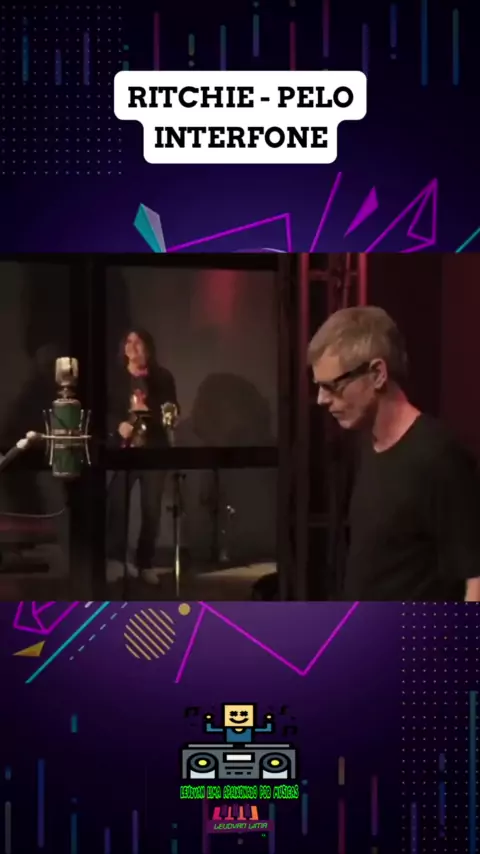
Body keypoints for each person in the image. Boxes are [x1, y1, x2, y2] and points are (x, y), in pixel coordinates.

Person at [307, 305, 480, 602]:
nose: (321, 399)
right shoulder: (365, 444)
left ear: (377, 374)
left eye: (332, 386)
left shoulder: (438, 457)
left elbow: (475, 576)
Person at [107, 329, 179, 585]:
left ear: (148, 348)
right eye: (129, 341)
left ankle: (145, 562)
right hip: (124, 450)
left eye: (139, 342)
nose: (133, 346)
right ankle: (116, 560)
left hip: (154, 450)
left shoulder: (162, 377)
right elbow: (105, 410)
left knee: (152, 509)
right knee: (117, 505)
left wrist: (154, 413)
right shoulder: (115, 378)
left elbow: (172, 410)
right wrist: (118, 425)